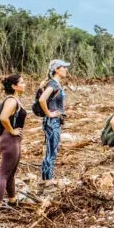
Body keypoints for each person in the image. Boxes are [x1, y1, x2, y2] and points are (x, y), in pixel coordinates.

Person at [0, 74, 27, 208]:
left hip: (14, 140)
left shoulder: (15, 100)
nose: (24, 84)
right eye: (22, 82)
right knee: (3, 174)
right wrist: (12, 131)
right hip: (10, 140)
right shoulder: (12, 101)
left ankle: (12, 199)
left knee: (11, 173)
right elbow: (3, 117)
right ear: (14, 86)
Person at [38, 59, 70, 187]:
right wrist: (49, 113)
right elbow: (42, 99)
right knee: (52, 150)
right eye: (64, 67)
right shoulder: (53, 84)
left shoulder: (55, 84)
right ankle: (48, 179)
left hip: (53, 121)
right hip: (52, 122)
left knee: (51, 149)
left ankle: (45, 178)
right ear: (56, 69)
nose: (66, 69)